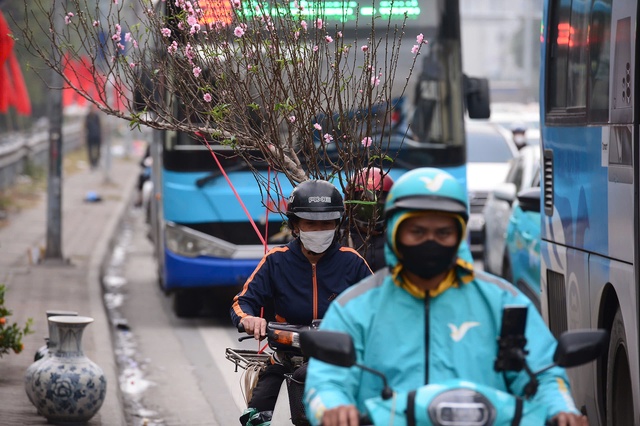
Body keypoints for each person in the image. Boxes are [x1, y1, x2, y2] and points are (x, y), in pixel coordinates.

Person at [304, 167, 588, 426]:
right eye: (417, 231)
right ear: (395, 232)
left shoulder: (504, 302)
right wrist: (334, 408)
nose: (431, 241)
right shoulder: (355, 308)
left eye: (443, 232)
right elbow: (326, 381)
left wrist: (560, 411)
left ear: (460, 234)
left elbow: (544, 374)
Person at [230, 179, 373, 426]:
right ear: (295, 226)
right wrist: (249, 319)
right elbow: (242, 302)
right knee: (255, 419)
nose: (319, 230)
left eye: (326, 224)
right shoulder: (276, 261)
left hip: (339, 359)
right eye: (311, 224)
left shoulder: (353, 262)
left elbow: (379, 307)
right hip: (287, 356)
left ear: (337, 224)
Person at [341, 167, 394, 272]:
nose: (372, 212)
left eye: (380, 200)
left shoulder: (398, 237)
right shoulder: (339, 237)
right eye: (364, 201)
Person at [85, 104, 102, 169]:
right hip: (90, 136)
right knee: (90, 150)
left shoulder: (97, 116)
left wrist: (101, 135)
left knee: (97, 150)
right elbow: (84, 126)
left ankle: (96, 162)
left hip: (97, 135)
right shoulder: (87, 117)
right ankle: (92, 163)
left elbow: (100, 126)